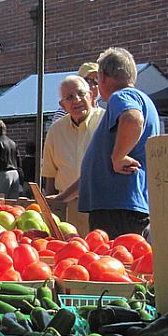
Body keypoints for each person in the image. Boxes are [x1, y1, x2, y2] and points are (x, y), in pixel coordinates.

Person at [78, 47, 161, 239]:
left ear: (103, 77)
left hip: (116, 206)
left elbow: (132, 119)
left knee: (113, 264)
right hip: (124, 205)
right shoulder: (144, 100)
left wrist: (118, 156)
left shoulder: (121, 96)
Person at [42, 75, 106, 235]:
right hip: (68, 209)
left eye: (81, 93)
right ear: (63, 105)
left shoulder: (106, 122)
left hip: (101, 206)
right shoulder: (55, 131)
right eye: (69, 97)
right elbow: (50, 175)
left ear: (91, 95)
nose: (76, 100)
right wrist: (52, 212)